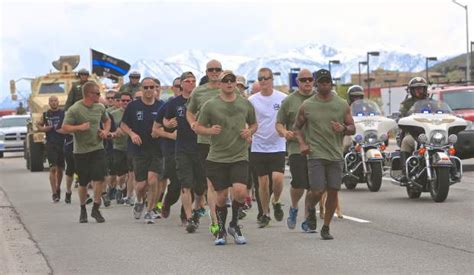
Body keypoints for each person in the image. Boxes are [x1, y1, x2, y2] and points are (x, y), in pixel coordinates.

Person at [195, 70, 257, 245]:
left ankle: (234, 225)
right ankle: (221, 230)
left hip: (239, 155)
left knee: (240, 192)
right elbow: (198, 127)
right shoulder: (210, 105)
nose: (229, 83)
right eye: (226, 81)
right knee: (221, 197)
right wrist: (209, 131)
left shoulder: (245, 104)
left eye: (232, 80)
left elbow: (254, 124)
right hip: (217, 157)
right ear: (220, 84)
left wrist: (249, 131)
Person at [294, 69, 355, 240]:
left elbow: (352, 127)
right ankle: (311, 207)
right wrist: (303, 144)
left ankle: (326, 227)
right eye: (321, 82)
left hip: (335, 154)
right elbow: (297, 128)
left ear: (331, 83)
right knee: (318, 191)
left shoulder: (342, 104)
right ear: (316, 83)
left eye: (327, 81)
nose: (324, 84)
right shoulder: (307, 105)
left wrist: (343, 129)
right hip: (316, 154)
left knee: (334, 191)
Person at [62, 81, 111, 223]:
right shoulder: (75, 109)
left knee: (99, 178)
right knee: (83, 182)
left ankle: (96, 208)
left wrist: (105, 131)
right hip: (81, 152)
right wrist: (79, 127)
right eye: (97, 93)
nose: (99, 96)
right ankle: (83, 209)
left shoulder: (100, 107)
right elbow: (65, 127)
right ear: (89, 94)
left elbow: (107, 121)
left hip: (97, 148)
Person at [163, 72, 206, 232]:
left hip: (200, 148)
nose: (191, 83)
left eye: (193, 81)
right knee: (185, 184)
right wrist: (168, 124)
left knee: (200, 187)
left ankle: (196, 210)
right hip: (182, 149)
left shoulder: (202, 101)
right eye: (187, 81)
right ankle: (189, 219)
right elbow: (165, 120)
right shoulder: (174, 103)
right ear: (181, 84)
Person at [186, 60, 225, 236]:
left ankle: (206, 210)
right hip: (205, 141)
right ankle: (214, 221)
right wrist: (193, 123)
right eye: (211, 70)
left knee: (224, 185)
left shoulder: (229, 88)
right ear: (207, 72)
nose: (215, 72)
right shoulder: (199, 91)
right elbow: (189, 111)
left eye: (218, 69)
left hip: (227, 141)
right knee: (210, 183)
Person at [276, 69, 316, 231]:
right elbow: (279, 123)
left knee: (314, 187)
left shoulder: (320, 99)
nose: (307, 82)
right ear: (297, 82)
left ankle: (307, 219)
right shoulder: (289, 101)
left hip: (316, 149)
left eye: (310, 79)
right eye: (303, 80)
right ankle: (293, 207)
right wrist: (285, 132)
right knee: (299, 183)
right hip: (296, 148)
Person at [120, 77, 164, 224]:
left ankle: (150, 210)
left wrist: (160, 130)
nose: (149, 90)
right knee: (140, 185)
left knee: (152, 180)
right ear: (141, 89)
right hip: (139, 149)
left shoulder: (161, 106)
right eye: (146, 87)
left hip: (157, 149)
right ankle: (139, 201)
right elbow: (123, 125)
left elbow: (168, 125)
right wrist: (132, 134)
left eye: (152, 87)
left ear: (155, 89)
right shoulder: (133, 106)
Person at [248, 67, 287, 228]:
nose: (263, 81)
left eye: (266, 78)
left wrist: (288, 132)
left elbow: (290, 117)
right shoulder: (252, 100)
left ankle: (276, 201)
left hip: (277, 144)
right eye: (260, 78)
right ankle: (265, 213)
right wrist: (248, 133)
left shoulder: (283, 98)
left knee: (277, 179)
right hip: (258, 145)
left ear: (272, 80)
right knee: (262, 183)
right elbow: (247, 120)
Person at [398, 77, 429, 183]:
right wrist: (401, 117)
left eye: (421, 88)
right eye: (416, 89)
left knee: (448, 142)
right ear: (411, 90)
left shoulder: (432, 102)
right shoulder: (406, 103)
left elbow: (442, 111)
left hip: (431, 133)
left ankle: (452, 169)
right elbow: (401, 116)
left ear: (425, 89)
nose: (418, 91)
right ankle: (404, 172)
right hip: (414, 133)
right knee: (406, 141)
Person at [36, 96, 66, 202]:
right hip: (50, 144)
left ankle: (58, 187)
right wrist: (44, 129)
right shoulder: (46, 114)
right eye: (51, 101)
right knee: (53, 168)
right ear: (49, 103)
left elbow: (69, 124)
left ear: (58, 102)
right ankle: (54, 193)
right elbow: (38, 125)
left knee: (60, 169)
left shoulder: (63, 113)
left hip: (62, 143)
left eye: (55, 101)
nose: (53, 102)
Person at [108, 92, 133, 204]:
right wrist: (114, 133)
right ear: (119, 101)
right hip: (118, 147)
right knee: (121, 174)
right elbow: (109, 130)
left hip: (132, 147)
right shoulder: (113, 114)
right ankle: (119, 188)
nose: (125, 103)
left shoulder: (135, 113)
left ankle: (128, 196)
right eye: (123, 100)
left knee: (131, 173)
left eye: (128, 101)